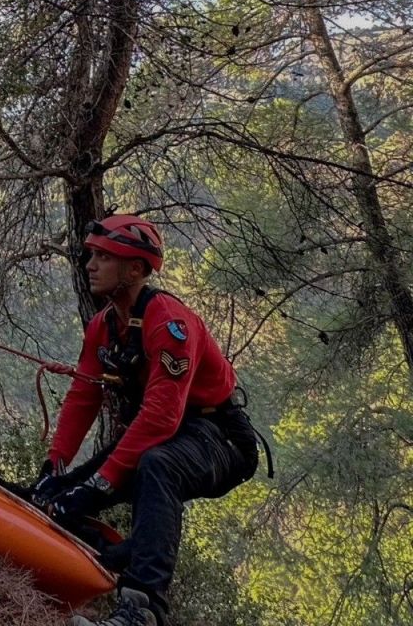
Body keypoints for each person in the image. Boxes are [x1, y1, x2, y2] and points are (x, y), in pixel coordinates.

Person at [31, 214, 262, 626]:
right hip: (163, 435)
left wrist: (101, 482)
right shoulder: (104, 326)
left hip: (218, 438)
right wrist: (55, 465)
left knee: (156, 467)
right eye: (91, 256)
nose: (89, 265)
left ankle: (143, 610)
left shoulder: (170, 325)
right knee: (62, 494)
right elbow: (84, 395)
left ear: (135, 269)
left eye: (104, 257)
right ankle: (111, 556)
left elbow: (162, 416)